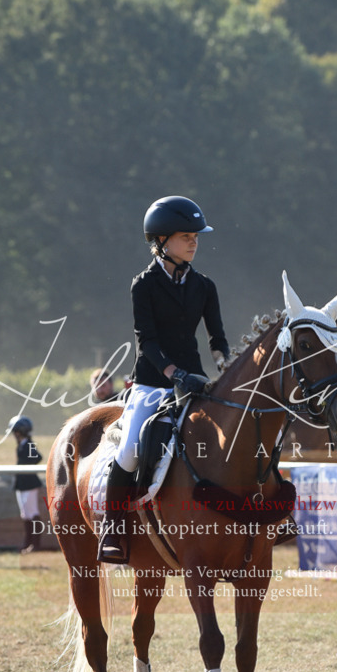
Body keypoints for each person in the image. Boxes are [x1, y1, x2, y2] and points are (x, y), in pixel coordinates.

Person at [98, 195, 230, 563]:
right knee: (129, 450)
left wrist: (226, 367)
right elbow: (147, 341)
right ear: (161, 241)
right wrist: (174, 373)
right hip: (153, 383)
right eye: (186, 235)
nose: (194, 241)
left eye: (196, 236)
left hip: (195, 383)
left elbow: (217, 339)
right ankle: (113, 528)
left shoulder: (205, 286)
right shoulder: (143, 285)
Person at [8, 415, 44, 553]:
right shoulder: (22, 444)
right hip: (22, 483)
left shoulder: (28, 444)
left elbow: (37, 457)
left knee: (33, 513)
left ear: (18, 432)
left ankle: (36, 544)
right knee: (26, 514)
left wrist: (25, 466)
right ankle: (28, 542)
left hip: (29, 482)